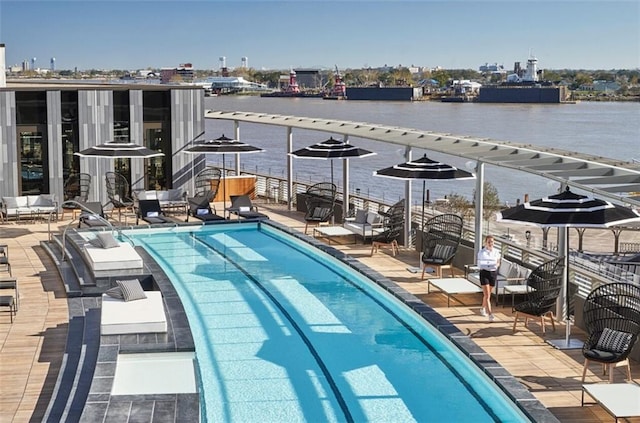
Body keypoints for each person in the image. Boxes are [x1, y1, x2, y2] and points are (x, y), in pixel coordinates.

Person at [477, 235, 501, 322]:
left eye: (492, 242)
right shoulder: (481, 252)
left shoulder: (496, 252)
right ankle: (490, 314)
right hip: (484, 273)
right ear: (486, 242)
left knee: (488, 294)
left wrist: (495, 265)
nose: (490, 243)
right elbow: (480, 263)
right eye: (489, 242)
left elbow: (498, 262)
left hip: (493, 273)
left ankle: (482, 308)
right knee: (487, 295)